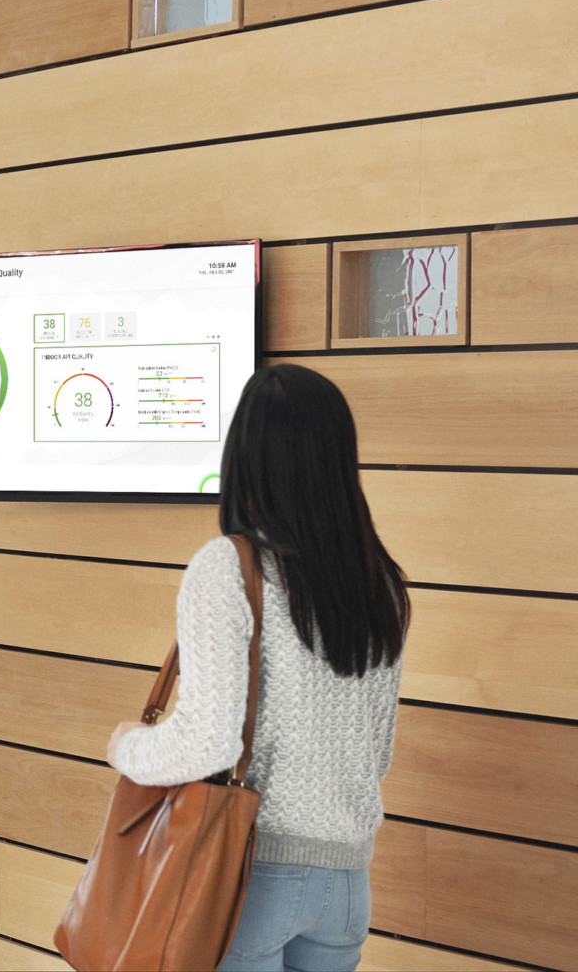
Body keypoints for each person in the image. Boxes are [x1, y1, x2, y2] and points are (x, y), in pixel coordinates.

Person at [107, 364, 409, 972]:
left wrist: (128, 747)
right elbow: (376, 754)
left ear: (245, 455)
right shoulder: (379, 581)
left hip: (251, 873)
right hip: (347, 882)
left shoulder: (229, 567)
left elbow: (209, 740)